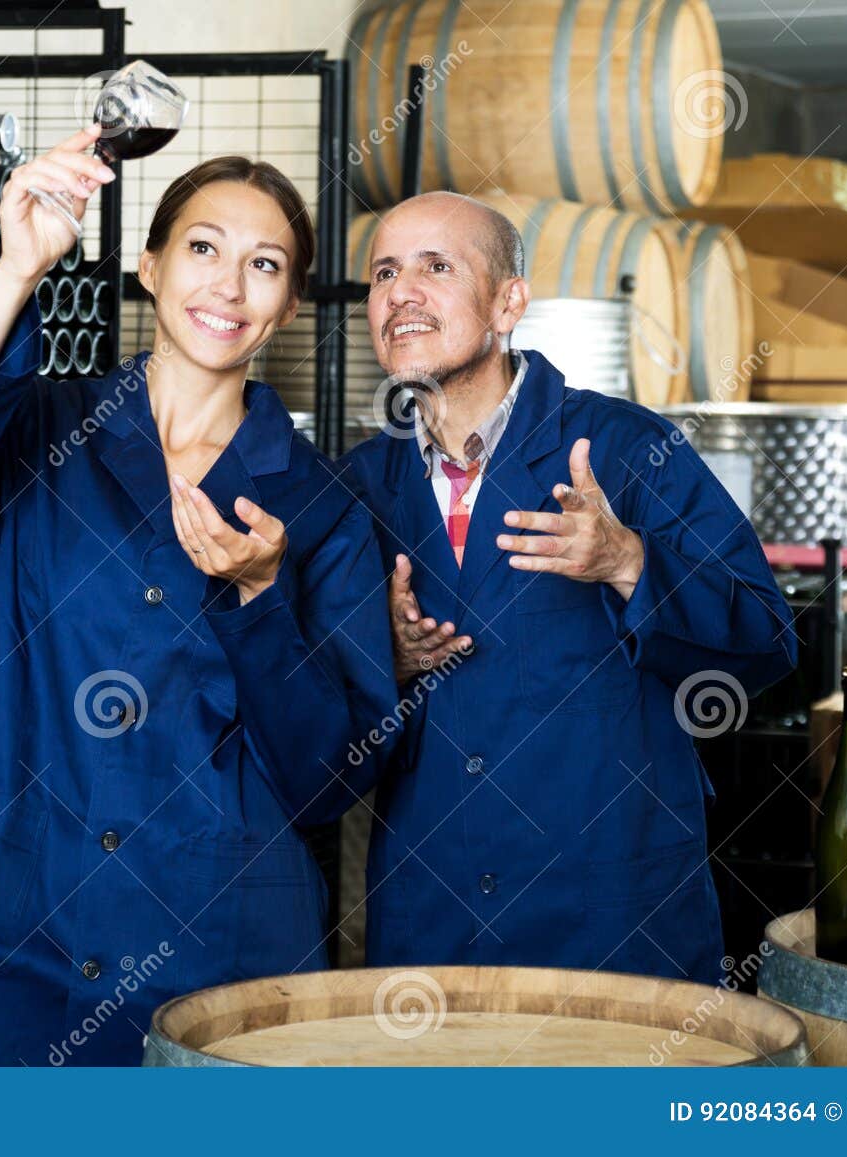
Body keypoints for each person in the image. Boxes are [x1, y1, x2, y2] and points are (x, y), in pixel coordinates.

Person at [0, 128, 394, 1066]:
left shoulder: (323, 508)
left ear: (292, 303)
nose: (227, 284)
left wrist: (260, 597)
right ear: (148, 265)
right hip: (5, 915)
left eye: (264, 264)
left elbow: (328, 777)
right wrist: (16, 272)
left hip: (210, 942)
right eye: (201, 247)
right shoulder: (41, 433)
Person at [340, 191, 797, 984]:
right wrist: (389, 658)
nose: (401, 292)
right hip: (432, 925)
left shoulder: (626, 447)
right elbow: (315, 709)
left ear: (508, 302)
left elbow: (766, 639)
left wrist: (629, 562)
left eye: (436, 266)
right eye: (385, 272)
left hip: (610, 922)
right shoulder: (362, 486)